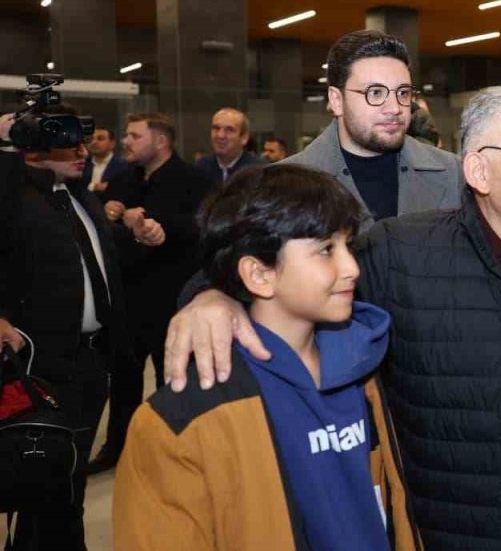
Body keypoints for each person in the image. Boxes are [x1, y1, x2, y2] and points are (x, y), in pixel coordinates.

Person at [163, 84, 501, 551]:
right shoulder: (401, 252)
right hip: (451, 531)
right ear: (478, 170)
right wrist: (213, 296)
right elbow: (294, 275)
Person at [113, 164, 420, 550]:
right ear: (259, 275)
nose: (351, 268)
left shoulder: (369, 372)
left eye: (349, 245)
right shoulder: (181, 419)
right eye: (326, 249)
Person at [0, 124, 150, 550]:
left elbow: (88, 262)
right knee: (42, 482)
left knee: (68, 480)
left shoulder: (81, 198)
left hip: (92, 360)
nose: (83, 152)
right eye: (69, 145)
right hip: (41, 365)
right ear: (32, 152)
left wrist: (134, 234)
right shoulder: (17, 202)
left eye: (83, 143)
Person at [88, 112, 215, 474]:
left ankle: (174, 451)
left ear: (160, 141)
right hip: (129, 301)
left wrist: (149, 220)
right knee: (124, 382)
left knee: (172, 380)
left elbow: (203, 228)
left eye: (134, 136)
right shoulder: (122, 180)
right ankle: (118, 448)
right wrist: (109, 212)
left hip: (172, 301)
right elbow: (104, 229)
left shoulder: (194, 181)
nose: (125, 141)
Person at [287, 30, 462, 228]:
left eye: (403, 93)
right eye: (375, 92)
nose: (395, 108)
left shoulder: (454, 174)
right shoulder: (283, 187)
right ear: (336, 100)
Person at [195, 107, 264, 185]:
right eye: (216, 128)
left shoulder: (260, 171)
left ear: (244, 138)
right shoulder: (201, 168)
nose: (220, 135)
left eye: (229, 130)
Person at [80, 126, 128, 194]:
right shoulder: (81, 164)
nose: (94, 142)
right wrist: (94, 186)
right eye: (91, 139)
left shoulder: (124, 166)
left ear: (112, 143)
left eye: (100, 139)